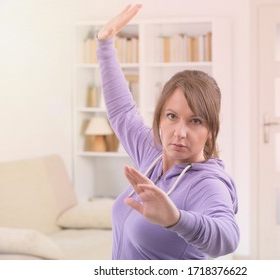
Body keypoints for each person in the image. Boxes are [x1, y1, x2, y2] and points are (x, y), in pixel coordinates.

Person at [96, 4, 239, 260]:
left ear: (210, 130)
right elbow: (122, 112)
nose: (179, 132)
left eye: (195, 121)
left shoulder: (207, 183)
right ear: (160, 118)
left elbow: (227, 238)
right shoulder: (152, 154)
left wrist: (175, 219)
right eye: (172, 116)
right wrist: (105, 44)